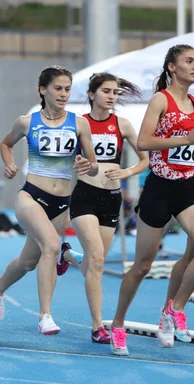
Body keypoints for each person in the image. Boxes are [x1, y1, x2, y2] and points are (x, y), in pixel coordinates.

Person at [109, 44, 194, 356]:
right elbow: (144, 141)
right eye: (189, 61)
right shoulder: (161, 100)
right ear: (172, 66)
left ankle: (172, 309)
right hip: (159, 188)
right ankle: (118, 324)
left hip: (190, 186)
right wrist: (186, 141)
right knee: (143, 264)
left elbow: (183, 144)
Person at [0, 66, 98, 335]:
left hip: (61, 203)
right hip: (31, 196)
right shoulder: (27, 122)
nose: (63, 94)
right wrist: (10, 163)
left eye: (67, 89)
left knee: (27, 262)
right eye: (57, 88)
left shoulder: (80, 123)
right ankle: (45, 315)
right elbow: (5, 143)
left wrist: (87, 165)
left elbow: (94, 165)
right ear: (43, 90)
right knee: (51, 245)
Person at [56, 72, 148, 344]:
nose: (112, 96)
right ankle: (98, 326)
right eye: (106, 91)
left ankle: (70, 256)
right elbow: (61, 157)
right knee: (96, 257)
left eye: (115, 92)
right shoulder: (77, 124)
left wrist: (127, 172)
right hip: (85, 195)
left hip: (111, 199)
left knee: (93, 264)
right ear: (92, 94)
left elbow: (145, 160)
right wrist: (73, 164)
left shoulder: (123, 124)